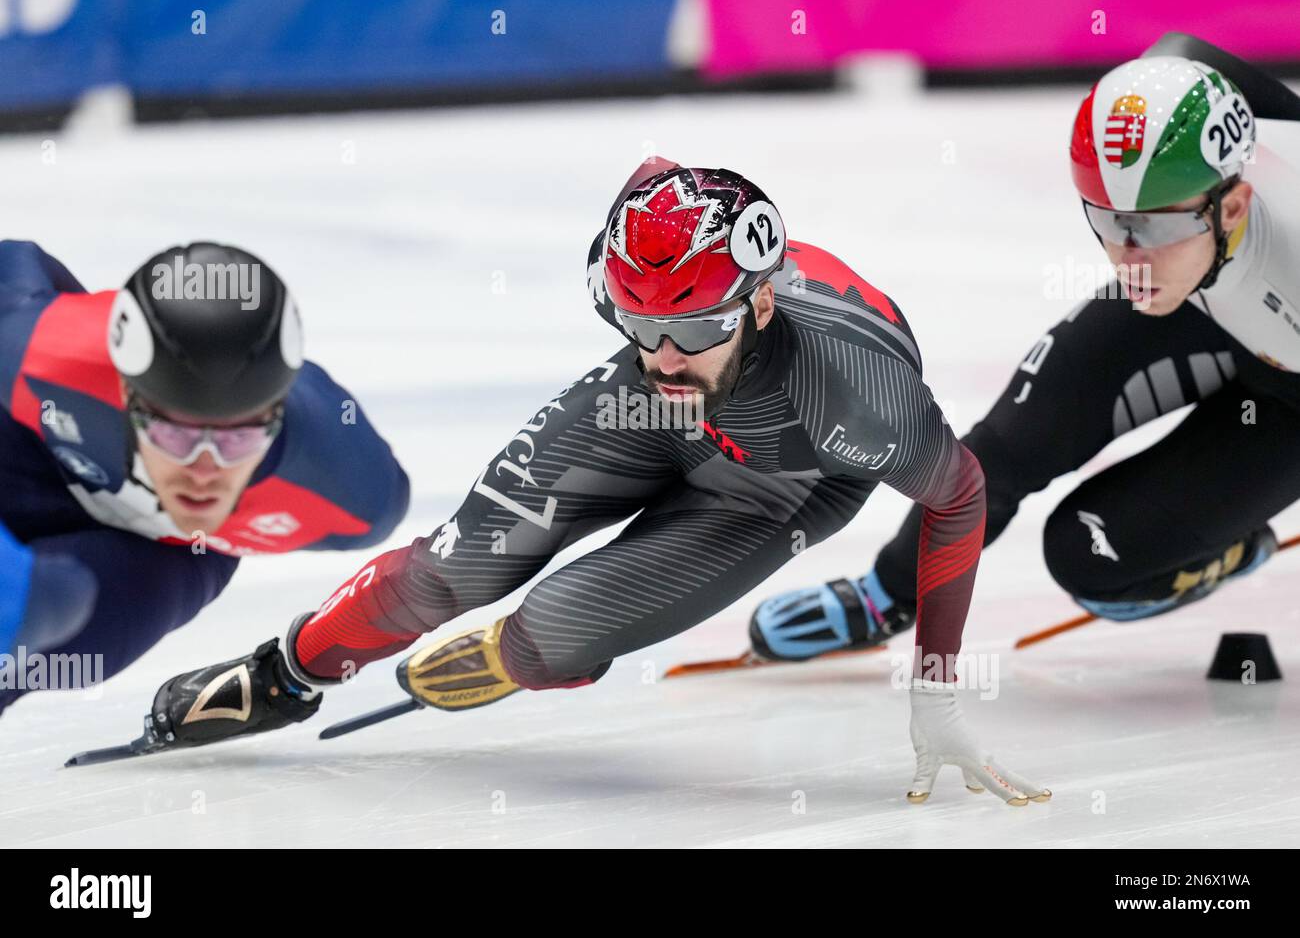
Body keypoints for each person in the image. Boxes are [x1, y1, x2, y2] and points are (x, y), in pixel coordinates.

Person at [146, 163, 1046, 806]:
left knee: (544, 642)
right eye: (636, 323)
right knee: (447, 575)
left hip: (786, 481)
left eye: (693, 332)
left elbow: (958, 497)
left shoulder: (854, 397)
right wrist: (676, 337)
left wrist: (935, 690)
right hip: (655, 429)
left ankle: (538, 653)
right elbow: (660, 188)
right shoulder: (661, 348)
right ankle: (283, 672)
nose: (662, 357)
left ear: (761, 304)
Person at [752, 53, 1300, 662]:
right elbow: (1183, 53)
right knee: (999, 456)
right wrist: (1166, 236)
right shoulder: (1175, 128)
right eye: (1111, 222)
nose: (1129, 260)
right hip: (1199, 298)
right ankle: (886, 596)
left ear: (1232, 206)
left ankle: (1232, 543)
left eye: (1155, 230)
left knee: (1088, 559)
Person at [0, 241, 409, 713]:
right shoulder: (41, 350)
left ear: (277, 415)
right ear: (127, 394)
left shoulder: (349, 498)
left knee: (46, 648)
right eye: (174, 435)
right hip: (30, 458)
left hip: (170, 552)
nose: (204, 471)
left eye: (239, 440)